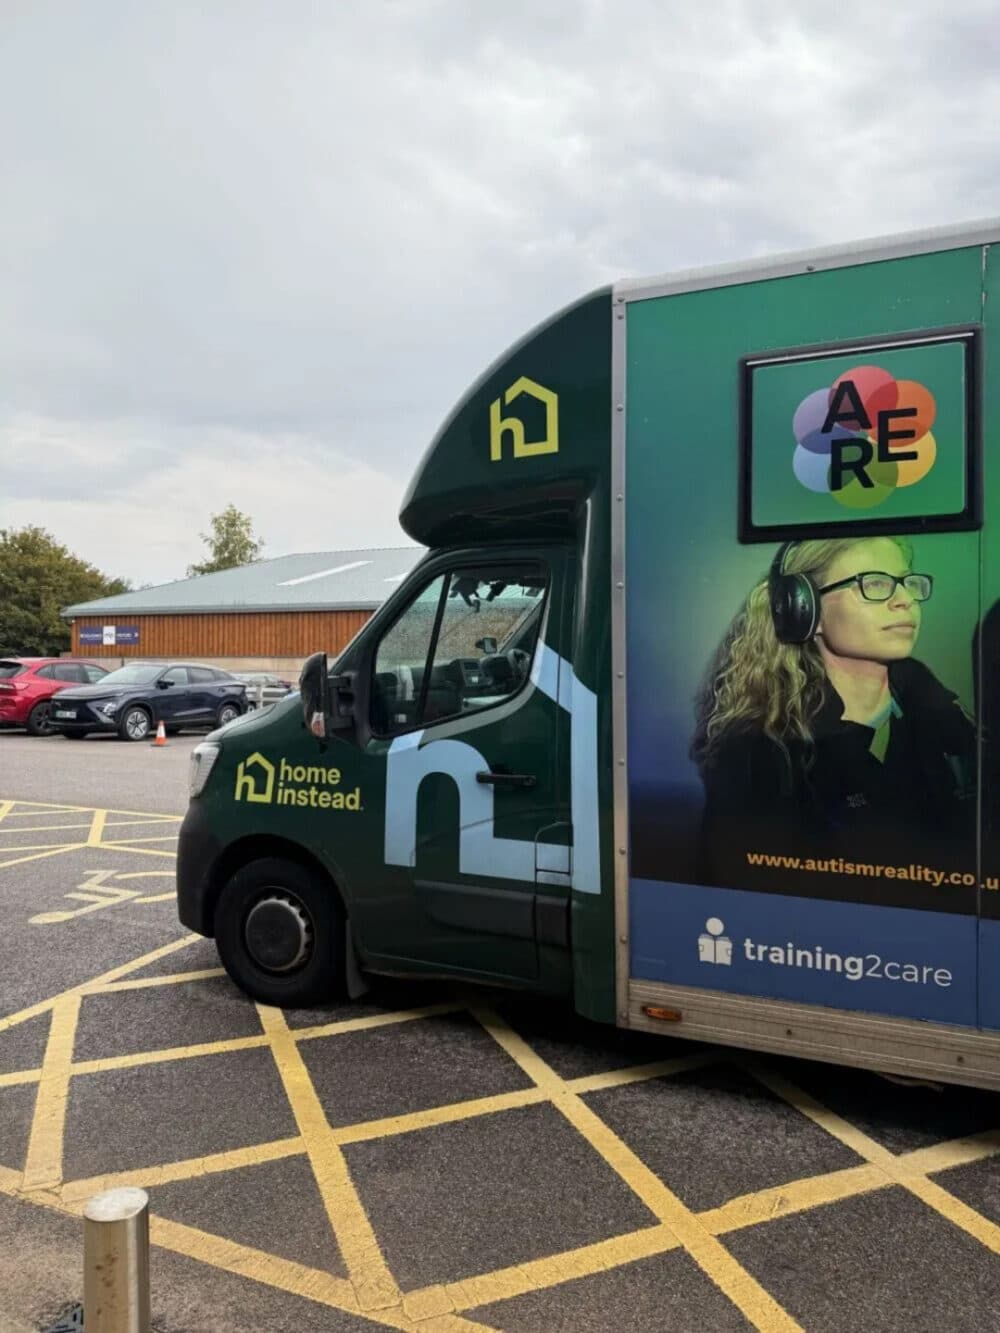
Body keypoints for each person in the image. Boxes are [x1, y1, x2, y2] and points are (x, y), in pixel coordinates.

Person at [691, 536, 976, 896]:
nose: (905, 600)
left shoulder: (948, 719)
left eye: (906, 582)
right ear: (805, 608)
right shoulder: (763, 754)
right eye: (874, 584)